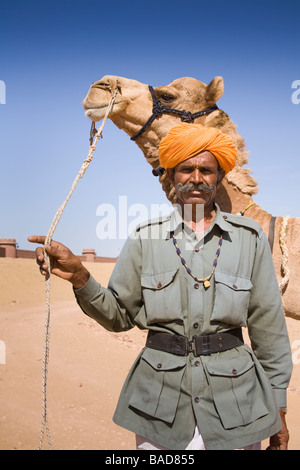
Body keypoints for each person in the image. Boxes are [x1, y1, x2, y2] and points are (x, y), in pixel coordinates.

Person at [28, 123, 292, 450]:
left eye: (206, 170)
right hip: (159, 403)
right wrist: (80, 276)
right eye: (186, 169)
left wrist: (278, 407)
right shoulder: (145, 237)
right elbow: (119, 316)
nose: (196, 178)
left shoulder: (249, 239)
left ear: (219, 177)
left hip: (237, 403)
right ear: (171, 177)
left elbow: (269, 329)